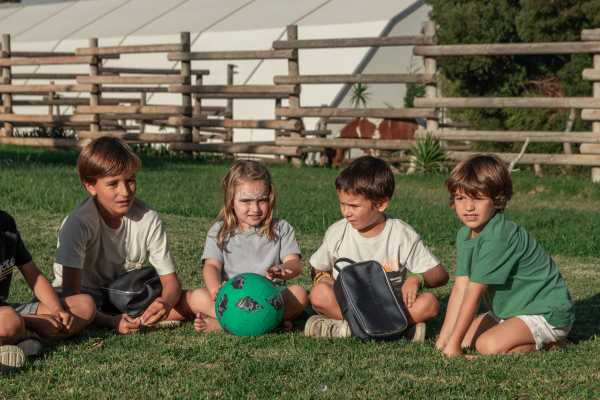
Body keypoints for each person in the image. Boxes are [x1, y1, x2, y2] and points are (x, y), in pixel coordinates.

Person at [52, 137, 194, 334]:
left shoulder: (148, 218)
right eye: (113, 184)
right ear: (90, 186)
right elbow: (70, 292)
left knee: (194, 299)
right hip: (82, 303)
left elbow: (170, 282)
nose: (125, 192)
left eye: (130, 181)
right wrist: (109, 322)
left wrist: (165, 303)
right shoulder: (78, 222)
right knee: (62, 313)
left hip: (126, 299)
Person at [436, 154, 575, 356]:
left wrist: (452, 346)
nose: (468, 207)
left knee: (487, 346)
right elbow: (460, 288)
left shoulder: (497, 237)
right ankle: (522, 337)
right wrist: (445, 340)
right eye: (461, 198)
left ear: (497, 199)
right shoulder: (464, 235)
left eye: (479, 198)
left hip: (544, 313)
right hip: (512, 310)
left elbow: (474, 294)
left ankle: (552, 343)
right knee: (467, 340)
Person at [306, 156, 449, 340]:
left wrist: (417, 279)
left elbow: (441, 274)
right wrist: (322, 278)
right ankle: (398, 330)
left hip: (389, 307)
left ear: (381, 204)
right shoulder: (338, 232)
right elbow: (317, 267)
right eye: (342, 203)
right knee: (318, 294)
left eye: (354, 206)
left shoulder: (401, 234)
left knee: (430, 303)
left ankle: (347, 328)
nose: (346, 212)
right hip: (349, 304)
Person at [190, 160, 308, 332]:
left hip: (269, 297)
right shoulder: (220, 231)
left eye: (262, 200)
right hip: (231, 299)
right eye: (246, 201)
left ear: (270, 197)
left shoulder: (281, 228)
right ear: (231, 200)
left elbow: (295, 264)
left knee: (299, 294)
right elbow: (211, 265)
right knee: (197, 297)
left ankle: (225, 324)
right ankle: (271, 324)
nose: (255, 208)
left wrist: (282, 268)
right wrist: (216, 289)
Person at [0, 210, 95, 372]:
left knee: (85, 306)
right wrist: (34, 322)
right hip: (7, 318)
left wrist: (56, 310)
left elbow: (34, 275)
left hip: (6, 312)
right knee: (10, 323)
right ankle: (28, 337)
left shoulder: (5, 223)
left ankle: (20, 340)